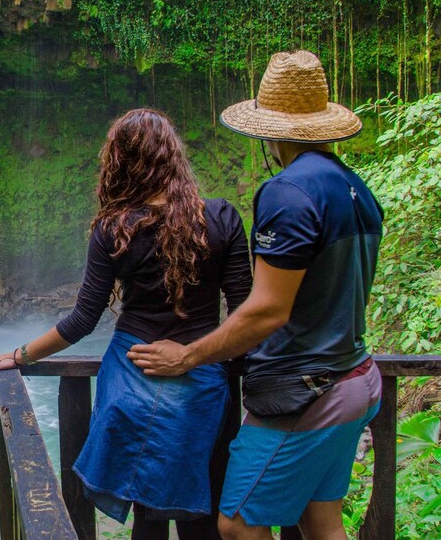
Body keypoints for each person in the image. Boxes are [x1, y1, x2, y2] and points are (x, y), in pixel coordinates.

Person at [126, 51, 384, 540]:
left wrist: (189, 355)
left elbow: (267, 308)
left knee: (239, 524)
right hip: (356, 378)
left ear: (269, 129)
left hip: (305, 391)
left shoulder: (287, 192)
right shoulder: (356, 188)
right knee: (321, 522)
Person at [0, 108, 252, 539]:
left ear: (120, 163)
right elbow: (245, 313)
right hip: (202, 380)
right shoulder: (221, 219)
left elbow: (82, 320)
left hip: (131, 379)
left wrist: (18, 356)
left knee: (147, 513)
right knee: (203, 503)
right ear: (173, 158)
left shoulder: (115, 229)